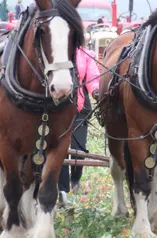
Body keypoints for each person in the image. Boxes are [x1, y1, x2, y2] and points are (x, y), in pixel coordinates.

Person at [58, 40, 100, 206]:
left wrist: (96, 90)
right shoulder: (57, 53)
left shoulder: (86, 55)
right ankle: (62, 188)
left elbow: (93, 76)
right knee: (60, 149)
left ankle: (75, 180)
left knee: (78, 148)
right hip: (59, 108)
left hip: (80, 108)